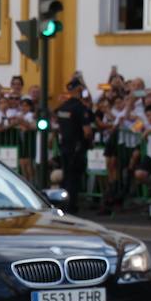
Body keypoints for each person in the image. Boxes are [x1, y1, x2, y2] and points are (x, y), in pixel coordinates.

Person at [54, 78, 94, 213]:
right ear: (79, 90)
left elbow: (58, 125)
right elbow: (87, 131)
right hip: (77, 146)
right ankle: (71, 205)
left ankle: (62, 203)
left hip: (64, 144)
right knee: (74, 178)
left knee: (65, 176)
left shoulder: (63, 107)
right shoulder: (80, 108)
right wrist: (90, 142)